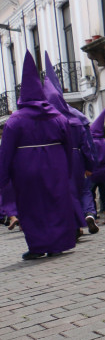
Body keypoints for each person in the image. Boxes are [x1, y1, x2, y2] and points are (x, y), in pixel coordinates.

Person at [0, 52, 78, 260]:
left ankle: (37, 246)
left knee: (31, 206)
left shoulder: (14, 121)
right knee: (56, 203)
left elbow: (5, 151)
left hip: (26, 169)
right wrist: (68, 168)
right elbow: (68, 144)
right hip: (56, 165)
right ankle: (58, 244)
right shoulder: (58, 117)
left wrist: (3, 177)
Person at [42, 53, 96, 233]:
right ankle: (88, 213)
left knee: (65, 192)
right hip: (77, 157)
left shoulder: (46, 120)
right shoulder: (77, 117)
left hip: (57, 160)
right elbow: (87, 144)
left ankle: (75, 226)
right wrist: (90, 164)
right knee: (83, 189)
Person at [89, 109, 105, 225]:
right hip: (104, 173)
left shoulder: (90, 142)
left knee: (91, 194)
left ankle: (95, 217)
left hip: (92, 173)